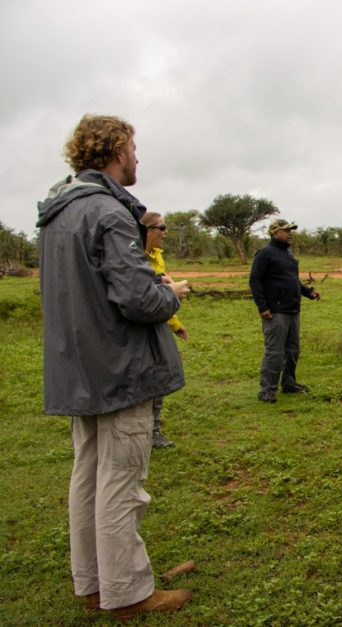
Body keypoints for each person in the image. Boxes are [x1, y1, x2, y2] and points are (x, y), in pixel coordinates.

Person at [36, 114, 193, 618]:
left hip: (80, 368)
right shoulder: (107, 212)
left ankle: (93, 583)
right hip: (120, 368)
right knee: (121, 481)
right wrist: (169, 293)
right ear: (115, 148)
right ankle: (127, 592)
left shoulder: (58, 212)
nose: (138, 157)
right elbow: (137, 301)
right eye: (133, 146)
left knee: (87, 477)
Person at [249, 218, 320, 403]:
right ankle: (266, 390)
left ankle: (288, 384)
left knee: (293, 350)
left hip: (293, 309)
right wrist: (262, 307)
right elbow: (255, 280)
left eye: (291, 230)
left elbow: (292, 280)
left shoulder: (288, 254)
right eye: (286, 230)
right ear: (274, 233)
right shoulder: (265, 254)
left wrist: (308, 292)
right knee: (275, 352)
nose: (290, 233)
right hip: (276, 311)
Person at [141, 211, 188, 449]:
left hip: (157, 320)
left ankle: (153, 430)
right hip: (140, 326)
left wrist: (175, 325)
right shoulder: (134, 257)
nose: (165, 232)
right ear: (146, 231)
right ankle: (145, 432)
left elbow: (160, 298)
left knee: (158, 378)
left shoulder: (157, 256)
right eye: (161, 228)